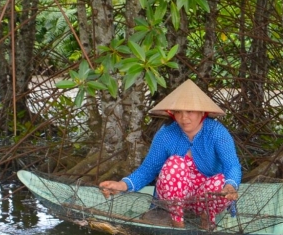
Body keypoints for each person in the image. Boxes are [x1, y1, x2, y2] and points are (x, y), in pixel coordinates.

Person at [99, 81, 242, 226]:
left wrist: (230, 186)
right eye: (178, 112)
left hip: (205, 198)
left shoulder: (216, 132)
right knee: (175, 163)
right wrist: (122, 185)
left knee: (221, 180)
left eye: (190, 111)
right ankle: (177, 223)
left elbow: (232, 165)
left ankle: (206, 220)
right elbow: (148, 169)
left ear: (202, 112)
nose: (183, 118)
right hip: (173, 202)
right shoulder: (166, 134)